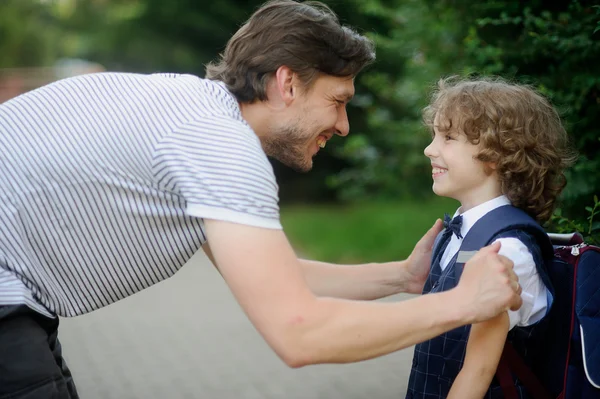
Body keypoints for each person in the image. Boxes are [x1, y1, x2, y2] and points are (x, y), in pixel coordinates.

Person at [0, 1, 522, 398]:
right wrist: (462, 302)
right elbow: (300, 334)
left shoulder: (190, 111)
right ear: (287, 84)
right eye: (337, 102)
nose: (342, 126)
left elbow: (276, 278)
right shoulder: (220, 145)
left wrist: (403, 278)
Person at [406, 77, 576, 399]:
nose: (430, 149)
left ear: (497, 154)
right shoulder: (457, 229)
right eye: (434, 136)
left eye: (448, 137)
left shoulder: (508, 250)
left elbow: (477, 372)